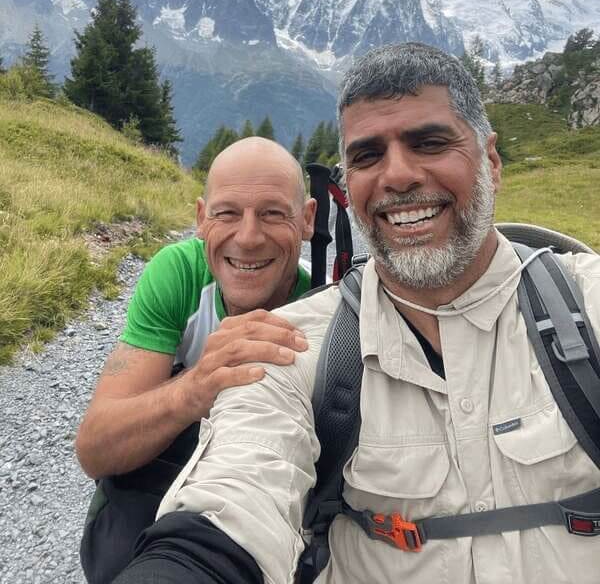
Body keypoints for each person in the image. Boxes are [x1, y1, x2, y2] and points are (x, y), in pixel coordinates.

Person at [112, 43, 600, 584]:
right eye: (367, 156)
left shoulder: (585, 304)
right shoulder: (291, 343)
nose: (397, 175)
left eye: (431, 142)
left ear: (491, 160)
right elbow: (232, 500)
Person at [76, 136, 317, 582]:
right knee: (116, 555)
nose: (248, 237)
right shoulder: (178, 274)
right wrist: (196, 386)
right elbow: (96, 449)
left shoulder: (322, 308)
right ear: (201, 219)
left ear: (307, 220)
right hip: (163, 473)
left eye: (272, 213)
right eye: (227, 213)